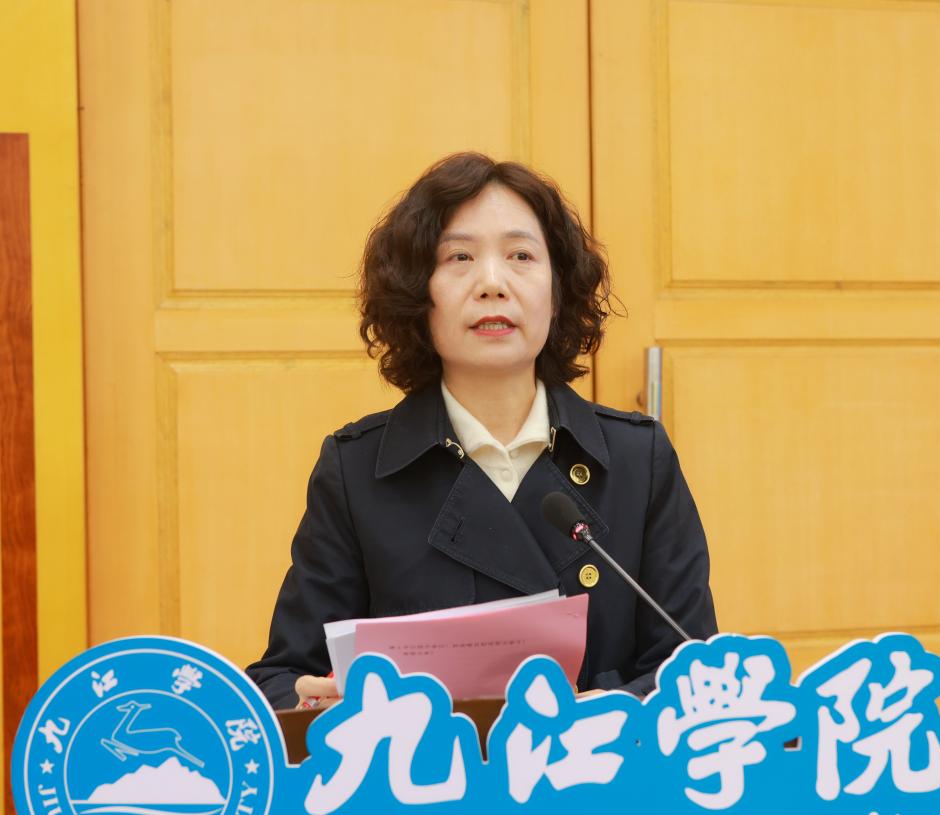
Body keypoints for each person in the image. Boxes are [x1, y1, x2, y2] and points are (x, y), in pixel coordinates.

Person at [246, 152, 716, 709]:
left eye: (521, 255)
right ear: (417, 294)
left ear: (557, 290)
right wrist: (313, 700)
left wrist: (596, 713)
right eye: (459, 257)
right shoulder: (356, 472)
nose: (492, 283)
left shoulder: (639, 459)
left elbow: (691, 670)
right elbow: (282, 678)